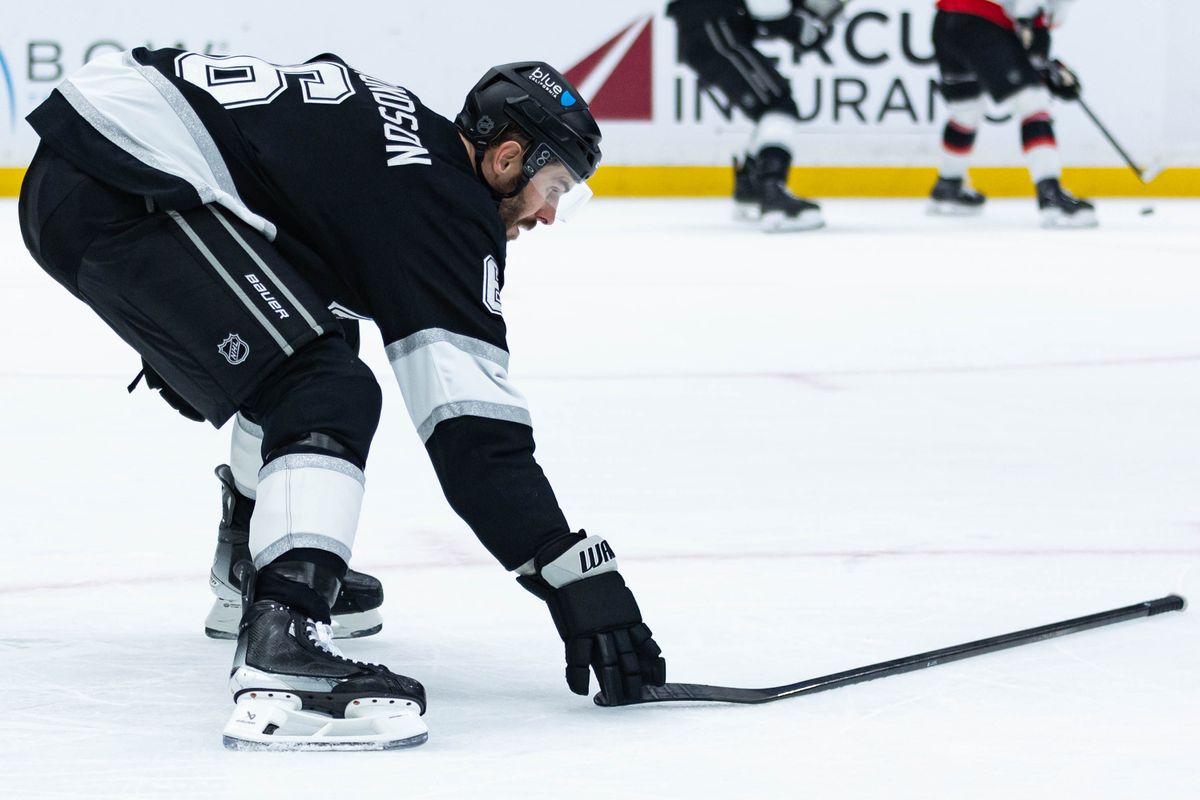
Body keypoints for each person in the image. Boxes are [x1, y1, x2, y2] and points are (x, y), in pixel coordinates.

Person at [18, 49, 667, 751]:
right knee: (324, 385)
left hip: (101, 167)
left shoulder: (405, 137)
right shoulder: (445, 207)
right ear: (507, 158)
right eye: (556, 186)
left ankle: (252, 565)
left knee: (315, 346)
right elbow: (472, 435)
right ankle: (283, 633)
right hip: (122, 187)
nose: (546, 214)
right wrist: (571, 573)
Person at [667, 0, 846, 232]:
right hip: (714, 26)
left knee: (769, 106)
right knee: (778, 105)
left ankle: (751, 190)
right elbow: (768, 9)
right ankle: (772, 193)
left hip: (708, 26)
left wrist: (797, 26)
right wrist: (798, 27)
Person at [928, 0, 1096, 227]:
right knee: (1032, 103)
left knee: (966, 108)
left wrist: (1039, 60)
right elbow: (1032, 16)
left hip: (946, 21)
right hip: (983, 22)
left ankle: (948, 185)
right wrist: (1038, 57)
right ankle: (1051, 196)